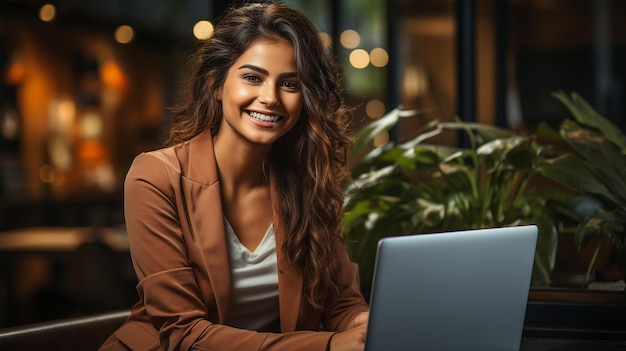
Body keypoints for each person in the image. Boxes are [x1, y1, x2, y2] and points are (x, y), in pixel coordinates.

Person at [99, 1, 370, 350]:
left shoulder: (310, 182)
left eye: (290, 84)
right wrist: (330, 346)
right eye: (252, 78)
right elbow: (184, 333)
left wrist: (369, 329)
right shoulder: (156, 176)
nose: (269, 98)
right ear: (215, 84)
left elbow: (341, 303)